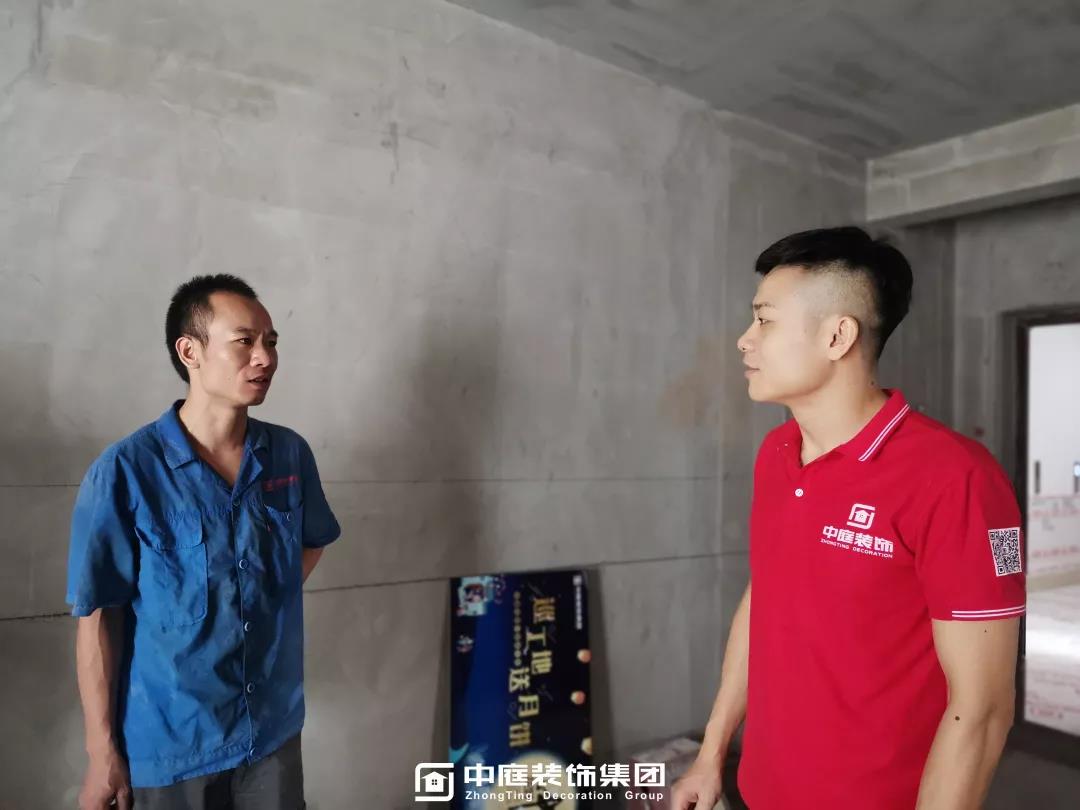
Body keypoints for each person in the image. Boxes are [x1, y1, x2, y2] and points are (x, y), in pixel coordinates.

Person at [672, 227, 1025, 809]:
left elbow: (983, 710)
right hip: (762, 791)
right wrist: (711, 755)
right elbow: (765, 598)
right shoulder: (777, 453)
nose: (744, 340)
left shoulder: (957, 478)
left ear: (837, 336)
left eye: (764, 320)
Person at [67, 274, 341, 810]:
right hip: (171, 743)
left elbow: (312, 540)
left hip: (272, 733)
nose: (265, 357)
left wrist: (258, 594)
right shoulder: (126, 472)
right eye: (245, 341)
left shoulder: (288, 455)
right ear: (189, 351)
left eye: (271, 342)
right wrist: (102, 753)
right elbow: (98, 617)